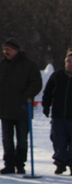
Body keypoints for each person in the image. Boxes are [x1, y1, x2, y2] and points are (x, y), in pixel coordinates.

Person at [0, 38, 42, 175]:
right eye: (4, 49)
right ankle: (9, 164)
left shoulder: (29, 65)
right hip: (5, 109)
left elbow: (36, 83)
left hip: (22, 109)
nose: (6, 52)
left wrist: (25, 97)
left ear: (16, 51)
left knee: (22, 139)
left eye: (9, 49)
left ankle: (20, 164)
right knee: (7, 139)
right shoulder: (2, 65)